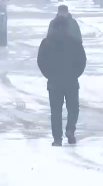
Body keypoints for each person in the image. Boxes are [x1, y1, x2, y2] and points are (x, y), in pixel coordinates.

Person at [37, 16, 86, 146]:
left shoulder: (46, 43)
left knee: (56, 110)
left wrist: (49, 75)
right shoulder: (75, 42)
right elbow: (82, 61)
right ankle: (70, 129)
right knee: (73, 108)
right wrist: (75, 74)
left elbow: (41, 61)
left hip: (54, 82)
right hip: (71, 80)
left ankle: (57, 138)